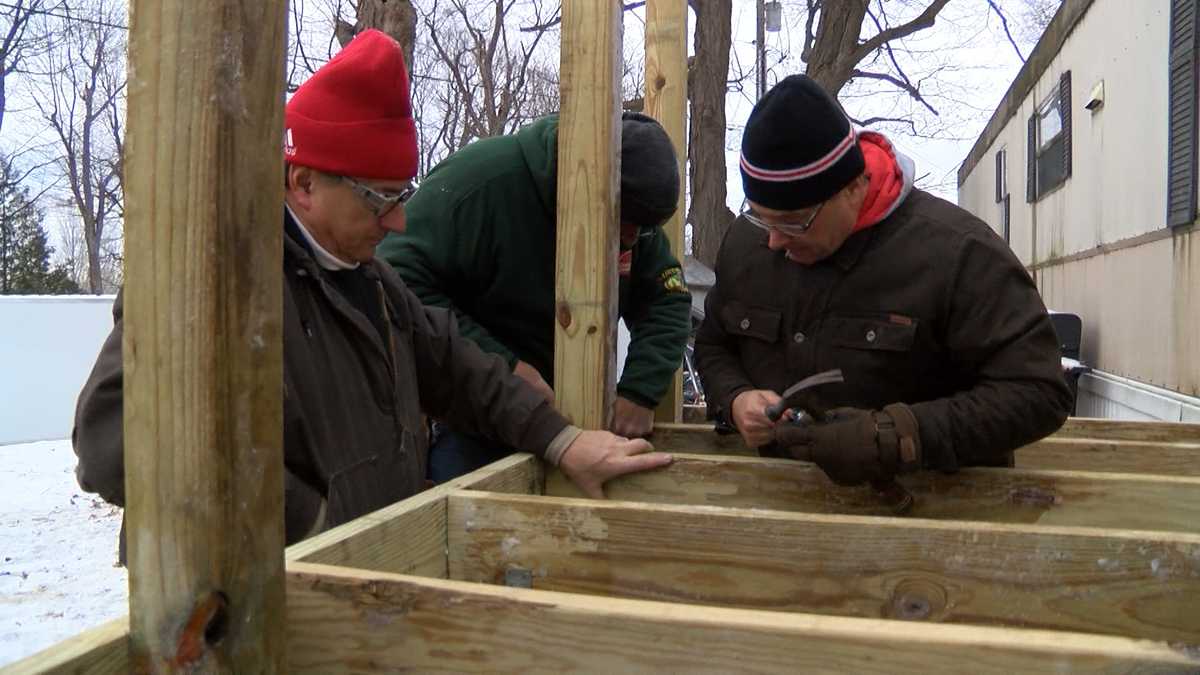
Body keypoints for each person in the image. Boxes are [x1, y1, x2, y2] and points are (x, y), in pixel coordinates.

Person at [72, 30, 671, 560]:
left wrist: (562, 440)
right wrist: (307, 521)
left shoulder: (375, 285)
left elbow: (462, 372)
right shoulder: (207, 280)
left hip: (360, 576)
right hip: (244, 605)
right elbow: (112, 441)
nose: (398, 222)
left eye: (400, 194)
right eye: (379, 198)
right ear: (304, 183)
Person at [694, 74, 1071, 488]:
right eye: (759, 215)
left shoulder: (958, 254)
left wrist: (897, 437)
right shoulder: (748, 244)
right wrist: (735, 399)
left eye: (794, 221)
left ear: (854, 188)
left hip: (925, 520)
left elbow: (1038, 392)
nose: (773, 240)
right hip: (772, 507)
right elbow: (715, 345)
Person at [377, 112, 692, 482]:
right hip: (475, 416)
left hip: (574, 426)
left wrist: (640, 390)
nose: (630, 239)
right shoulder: (480, 184)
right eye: (624, 224)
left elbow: (667, 301)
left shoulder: (634, 218)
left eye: (641, 229)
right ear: (587, 188)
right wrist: (504, 365)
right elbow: (394, 280)